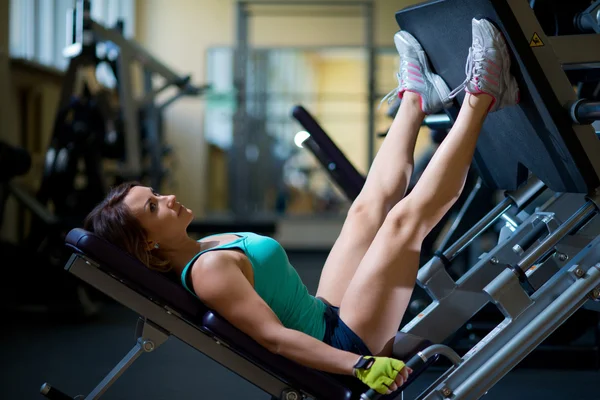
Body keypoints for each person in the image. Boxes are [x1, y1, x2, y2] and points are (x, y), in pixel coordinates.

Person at [84, 18, 519, 396]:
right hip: (347, 346)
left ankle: (415, 97)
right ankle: (483, 95)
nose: (168, 198)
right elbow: (274, 340)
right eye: (155, 208)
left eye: (155, 194)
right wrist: (360, 365)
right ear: (151, 248)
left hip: (324, 313)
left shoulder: (205, 246)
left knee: (366, 210)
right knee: (402, 224)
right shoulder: (208, 271)